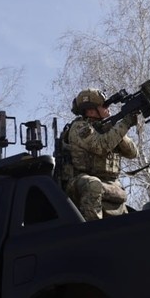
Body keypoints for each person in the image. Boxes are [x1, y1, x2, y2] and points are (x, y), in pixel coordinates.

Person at [59, 88, 138, 221]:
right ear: (90, 110)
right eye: (104, 106)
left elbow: (132, 152)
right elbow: (101, 146)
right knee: (93, 184)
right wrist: (125, 123)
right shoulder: (79, 128)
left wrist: (117, 131)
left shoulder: (108, 128)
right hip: (79, 183)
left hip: (109, 183)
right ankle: (93, 230)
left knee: (119, 190)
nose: (108, 109)